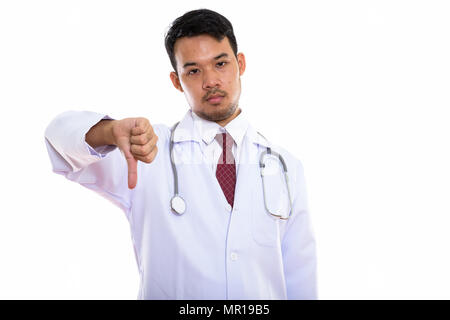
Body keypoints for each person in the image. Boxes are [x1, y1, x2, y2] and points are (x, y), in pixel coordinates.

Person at [44, 8, 317, 300]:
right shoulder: (146, 150)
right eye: (194, 70)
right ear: (177, 81)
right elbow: (58, 137)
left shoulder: (285, 166)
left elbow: (300, 276)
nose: (210, 80)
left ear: (240, 64)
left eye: (221, 63)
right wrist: (108, 131)